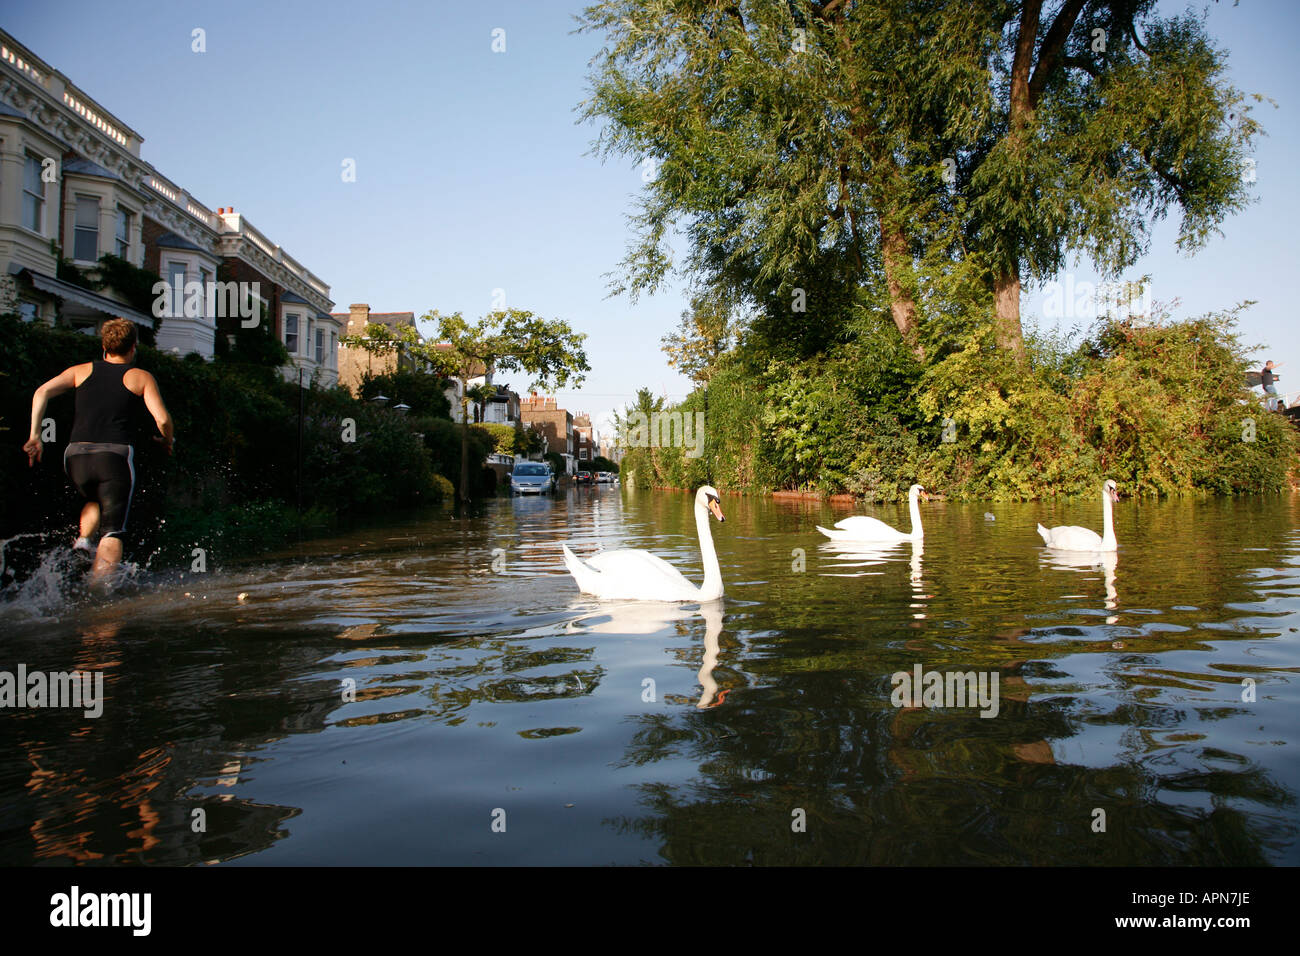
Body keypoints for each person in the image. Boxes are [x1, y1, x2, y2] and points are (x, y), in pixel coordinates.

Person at [22, 318, 174, 585]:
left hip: (75, 458)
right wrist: (167, 439)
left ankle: (81, 543)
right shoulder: (139, 376)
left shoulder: (80, 371)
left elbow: (42, 391)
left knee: (94, 498)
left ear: (104, 345)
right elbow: (162, 420)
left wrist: (35, 436)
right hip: (113, 458)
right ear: (133, 347)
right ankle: (98, 599)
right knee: (112, 531)